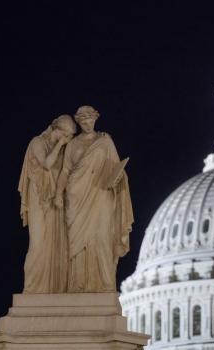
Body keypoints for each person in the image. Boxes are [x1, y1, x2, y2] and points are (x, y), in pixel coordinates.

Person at [55, 105, 133, 292]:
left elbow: (117, 168)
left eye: (90, 119)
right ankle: (78, 285)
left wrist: (117, 178)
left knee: (102, 238)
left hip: (101, 196)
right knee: (77, 246)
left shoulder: (105, 142)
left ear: (95, 119)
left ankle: (105, 285)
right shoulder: (73, 144)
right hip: (76, 197)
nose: (87, 123)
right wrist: (58, 193)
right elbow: (65, 171)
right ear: (79, 121)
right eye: (83, 120)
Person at [18, 115, 76, 293]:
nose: (67, 140)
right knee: (38, 245)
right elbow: (46, 164)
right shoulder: (37, 142)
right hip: (38, 200)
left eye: (70, 137)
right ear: (56, 129)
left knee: (55, 246)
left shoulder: (62, 150)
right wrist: (60, 144)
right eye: (66, 135)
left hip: (54, 202)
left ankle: (52, 288)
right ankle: (31, 288)